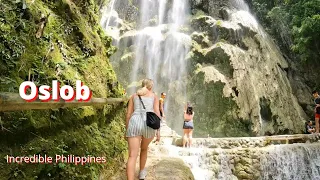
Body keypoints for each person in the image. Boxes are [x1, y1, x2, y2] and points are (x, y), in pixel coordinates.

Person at [125, 79, 161, 180]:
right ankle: (141, 173)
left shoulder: (134, 96)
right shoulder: (154, 96)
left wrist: (127, 129)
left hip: (134, 123)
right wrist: (158, 131)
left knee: (132, 156)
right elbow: (157, 113)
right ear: (151, 87)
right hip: (149, 123)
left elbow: (128, 115)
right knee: (144, 149)